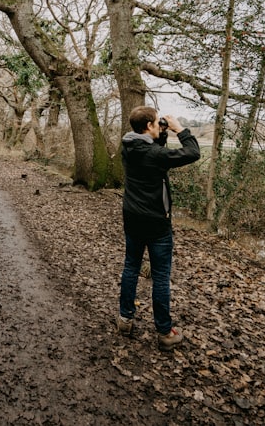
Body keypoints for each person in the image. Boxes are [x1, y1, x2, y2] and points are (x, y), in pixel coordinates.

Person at [116, 106, 200, 350]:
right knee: (161, 276)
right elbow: (192, 153)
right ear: (149, 126)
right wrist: (180, 130)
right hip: (156, 223)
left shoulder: (128, 145)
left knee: (131, 266)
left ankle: (125, 320)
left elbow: (154, 152)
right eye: (156, 122)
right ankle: (165, 332)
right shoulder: (154, 154)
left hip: (132, 218)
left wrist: (160, 133)